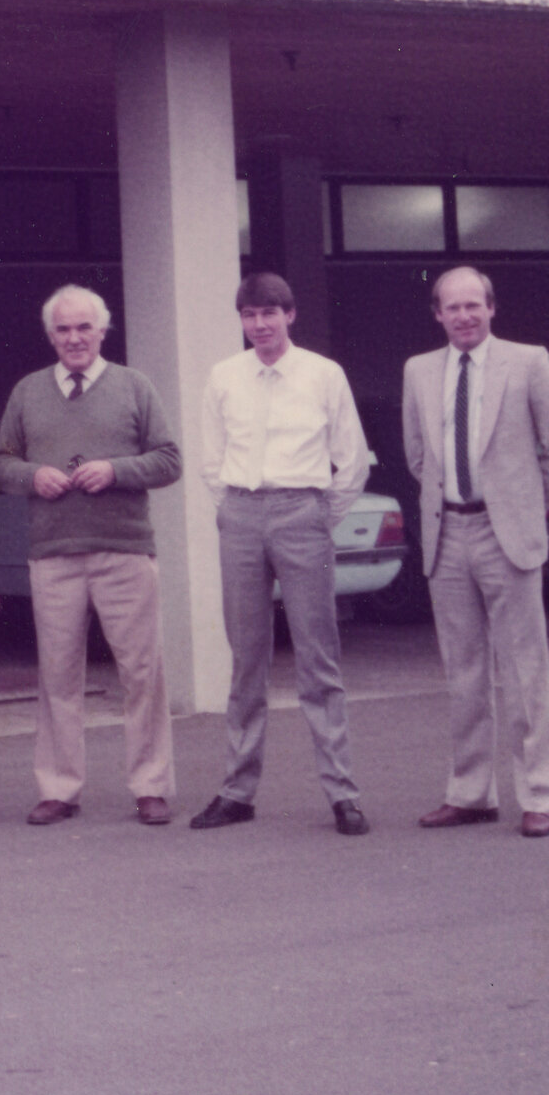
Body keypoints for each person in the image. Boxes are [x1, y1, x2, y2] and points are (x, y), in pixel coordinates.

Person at [0, 286, 182, 828]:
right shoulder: (27, 392)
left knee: (142, 671)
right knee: (57, 675)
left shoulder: (134, 387)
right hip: (54, 555)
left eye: (83, 328)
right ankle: (59, 788)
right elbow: (1, 463)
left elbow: (170, 460)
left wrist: (115, 470)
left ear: (103, 330)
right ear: (51, 335)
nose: (74, 338)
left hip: (124, 549)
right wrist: (33, 476)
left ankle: (150, 786)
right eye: (63, 329)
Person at [193, 273, 373, 836]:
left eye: (270, 313)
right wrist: (235, 510)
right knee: (246, 660)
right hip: (242, 514)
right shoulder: (224, 376)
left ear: (289, 315)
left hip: (303, 515)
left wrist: (319, 516)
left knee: (319, 659)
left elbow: (352, 458)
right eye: (249, 315)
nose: (260, 325)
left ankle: (342, 793)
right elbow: (211, 458)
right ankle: (237, 792)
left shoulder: (324, 374)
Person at [404, 266, 549, 839]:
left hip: (506, 534)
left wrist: (520, 505)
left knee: (526, 668)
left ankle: (539, 794)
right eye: (452, 308)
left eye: (473, 305)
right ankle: (471, 792)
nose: (464, 316)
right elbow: (417, 456)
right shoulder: (419, 371)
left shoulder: (528, 363)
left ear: (491, 307)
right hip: (447, 535)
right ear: (437, 314)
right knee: (463, 672)